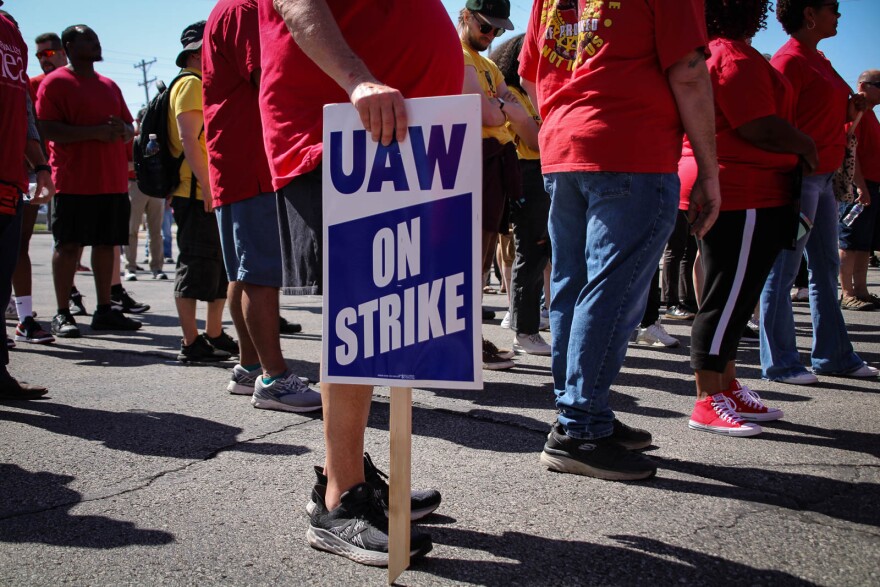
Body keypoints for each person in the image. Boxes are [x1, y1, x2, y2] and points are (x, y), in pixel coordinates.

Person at [259, 0, 461, 565]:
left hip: (402, 133)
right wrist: (359, 79)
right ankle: (338, 502)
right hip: (345, 127)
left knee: (387, 311)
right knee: (363, 312)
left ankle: (348, 473)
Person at [520, 0, 721, 480]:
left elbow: (531, 77)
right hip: (630, 144)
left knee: (575, 287)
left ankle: (583, 416)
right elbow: (689, 74)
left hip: (565, 147)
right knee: (610, 292)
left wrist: (573, 114)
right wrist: (710, 172)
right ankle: (581, 427)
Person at [684, 0, 819, 437]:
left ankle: (727, 385)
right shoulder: (731, 54)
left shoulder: (724, 51)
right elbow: (755, 124)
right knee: (725, 299)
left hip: (748, 188)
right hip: (742, 188)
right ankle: (708, 399)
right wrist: (805, 144)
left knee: (737, 298)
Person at [203, 0, 319, 411]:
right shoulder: (244, 9)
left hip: (242, 158)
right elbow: (275, 74)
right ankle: (274, 379)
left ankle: (250, 366)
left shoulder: (237, 7)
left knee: (246, 270)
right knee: (260, 272)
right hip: (251, 158)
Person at [759, 0, 878, 384]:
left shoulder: (817, 59)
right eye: (832, 8)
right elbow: (776, 122)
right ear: (810, 14)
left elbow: (816, 112)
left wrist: (849, 109)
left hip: (823, 181)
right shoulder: (789, 61)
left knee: (825, 266)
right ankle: (781, 362)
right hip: (801, 182)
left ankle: (833, 355)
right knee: (784, 268)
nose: (838, 15)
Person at [36, 24, 142, 338]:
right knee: (68, 246)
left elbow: (128, 126)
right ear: (68, 45)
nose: (96, 42)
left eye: (96, 38)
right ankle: (63, 312)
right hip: (73, 181)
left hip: (111, 181)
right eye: (88, 38)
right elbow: (46, 129)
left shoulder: (109, 85)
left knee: (106, 245)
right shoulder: (55, 84)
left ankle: (105, 310)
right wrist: (94, 132)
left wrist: (122, 131)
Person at [458, 0, 535, 367]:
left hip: (495, 163)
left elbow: (523, 125)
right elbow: (490, 111)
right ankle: (462, 342)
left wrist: (499, 105)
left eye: (498, 30)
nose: (491, 35)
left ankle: (469, 340)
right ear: (467, 16)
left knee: (483, 258)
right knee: (468, 260)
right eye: (486, 26)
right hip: (471, 158)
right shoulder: (456, 53)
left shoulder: (486, 63)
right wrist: (505, 107)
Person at [168, 21, 237, 363]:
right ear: (199, 51)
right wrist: (209, 187)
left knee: (216, 268)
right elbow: (189, 141)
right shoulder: (191, 84)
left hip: (205, 191)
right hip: (196, 192)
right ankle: (190, 342)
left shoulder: (196, 83)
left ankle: (212, 333)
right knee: (194, 266)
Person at [0, 6, 54, 398]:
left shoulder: (11, 31)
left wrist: (41, 166)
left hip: (9, 175)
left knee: (2, 273)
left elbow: (23, 109)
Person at [488, 33, 552, 356]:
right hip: (526, 173)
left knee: (538, 253)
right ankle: (524, 330)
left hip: (537, 174)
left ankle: (526, 326)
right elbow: (534, 139)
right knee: (530, 251)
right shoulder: (512, 94)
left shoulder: (524, 97)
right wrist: (532, 124)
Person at [838, 70, 880, 309]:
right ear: (864, 85)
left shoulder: (870, 115)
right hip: (858, 189)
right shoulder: (859, 113)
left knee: (864, 243)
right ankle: (847, 293)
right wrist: (860, 185)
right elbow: (850, 151)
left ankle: (861, 292)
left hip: (871, 187)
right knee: (849, 240)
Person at [125, 110, 166, 281]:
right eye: (144, 120)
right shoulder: (131, 140)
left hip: (156, 188)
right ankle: (130, 267)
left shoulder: (159, 140)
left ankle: (157, 268)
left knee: (156, 231)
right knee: (131, 230)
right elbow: (123, 165)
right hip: (135, 185)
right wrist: (142, 164)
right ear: (138, 121)